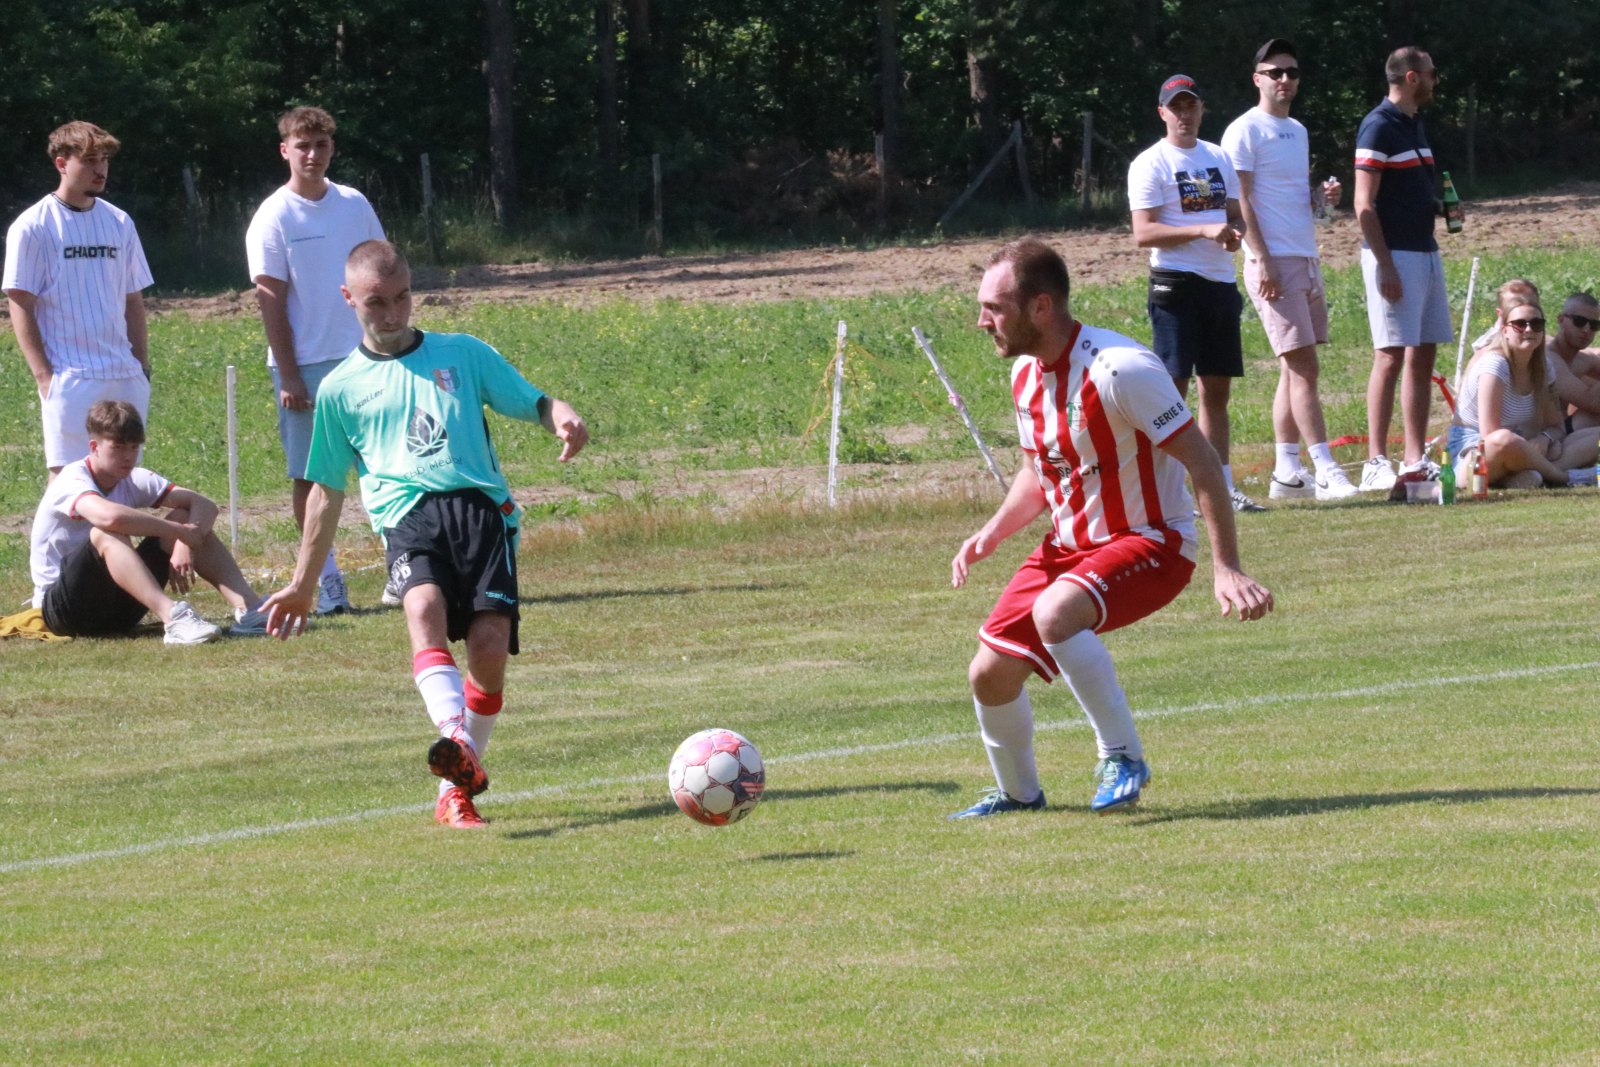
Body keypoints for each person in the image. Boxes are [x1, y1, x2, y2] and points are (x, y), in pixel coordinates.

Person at [261, 240, 590, 830]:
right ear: (348, 300)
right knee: (424, 605)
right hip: (408, 517)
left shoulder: (460, 354)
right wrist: (303, 584)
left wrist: (561, 416)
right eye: (376, 303)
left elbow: (533, 400)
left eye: (402, 298)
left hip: (483, 513)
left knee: (489, 652)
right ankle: (453, 737)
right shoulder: (339, 389)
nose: (391, 314)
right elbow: (325, 493)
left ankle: (457, 783)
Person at [948, 238, 1273, 819]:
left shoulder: (1121, 370)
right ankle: (1020, 795)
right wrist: (995, 531)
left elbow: (1202, 460)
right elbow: (1037, 469)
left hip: (1152, 542)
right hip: (1067, 549)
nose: (982, 321)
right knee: (989, 674)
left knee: (1054, 615)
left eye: (994, 307)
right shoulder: (1026, 373)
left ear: (1041, 307)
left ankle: (1122, 756)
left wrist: (1228, 567)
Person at [245, 106, 386, 615]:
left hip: (366, 359)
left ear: (332, 148)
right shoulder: (274, 216)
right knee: (312, 476)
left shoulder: (353, 204)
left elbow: (381, 275)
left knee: (385, 465)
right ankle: (325, 583)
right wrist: (288, 373)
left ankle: (404, 567)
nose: (312, 154)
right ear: (285, 150)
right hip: (305, 366)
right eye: (302, 146)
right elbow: (270, 298)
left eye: (321, 145)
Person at [1222, 39, 1358, 502]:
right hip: (1271, 261)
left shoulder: (1297, 131)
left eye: (1292, 72)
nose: (1285, 80)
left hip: (1305, 256)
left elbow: (1289, 197)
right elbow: (1239, 203)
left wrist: (1322, 200)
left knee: (1293, 368)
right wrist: (1260, 259)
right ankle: (1325, 469)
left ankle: (1286, 472)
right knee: (1304, 367)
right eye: (1275, 72)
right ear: (1257, 78)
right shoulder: (1243, 131)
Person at [29, 401, 271, 644]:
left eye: (134, 447)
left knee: (186, 514)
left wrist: (184, 542)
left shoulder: (134, 478)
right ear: (94, 447)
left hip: (117, 609)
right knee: (107, 532)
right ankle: (174, 618)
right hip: (63, 610)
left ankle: (250, 610)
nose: (128, 456)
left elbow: (205, 506)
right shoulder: (71, 478)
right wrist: (179, 532)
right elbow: (109, 517)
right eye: (118, 447)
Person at [1129, 75, 1262, 513]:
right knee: (1171, 393)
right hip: (1176, 285)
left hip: (1220, 284)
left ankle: (1221, 487)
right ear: (1162, 113)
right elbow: (1143, 232)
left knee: (1216, 391)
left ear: (1202, 109)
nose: (1184, 115)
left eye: (1191, 106)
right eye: (1176, 107)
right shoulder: (1151, 163)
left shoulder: (1217, 156)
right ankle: (1166, 492)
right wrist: (1202, 229)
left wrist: (1234, 233)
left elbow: (1233, 213)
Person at [4, 121, 154, 479]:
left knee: (122, 478)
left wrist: (142, 366)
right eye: (88, 160)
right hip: (70, 376)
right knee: (69, 483)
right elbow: (20, 301)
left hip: (123, 373)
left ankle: (116, 538)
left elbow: (132, 297)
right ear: (61, 163)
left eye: (104, 159)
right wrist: (45, 376)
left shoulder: (119, 222)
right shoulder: (33, 226)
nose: (100, 169)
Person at [1353, 46, 1453, 494]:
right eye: (1431, 73)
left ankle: (1415, 459)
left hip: (1426, 250)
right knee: (1391, 355)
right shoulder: (1378, 125)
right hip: (1395, 255)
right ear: (1413, 77)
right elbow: (1364, 204)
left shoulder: (1414, 124)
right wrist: (1385, 265)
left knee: (1424, 352)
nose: (1436, 80)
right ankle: (1376, 460)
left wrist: (1439, 206)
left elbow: (1406, 189)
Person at [1451, 288, 1600, 487]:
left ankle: (1527, 478)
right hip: (1475, 454)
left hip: (1527, 446)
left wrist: (1545, 438)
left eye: (1537, 324)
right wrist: (1531, 445)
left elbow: (1555, 426)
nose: (1529, 330)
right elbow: (1491, 437)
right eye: (1520, 324)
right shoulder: (1494, 365)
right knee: (1504, 440)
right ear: (1504, 330)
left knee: (1593, 435)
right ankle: (1566, 478)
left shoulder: (1544, 366)